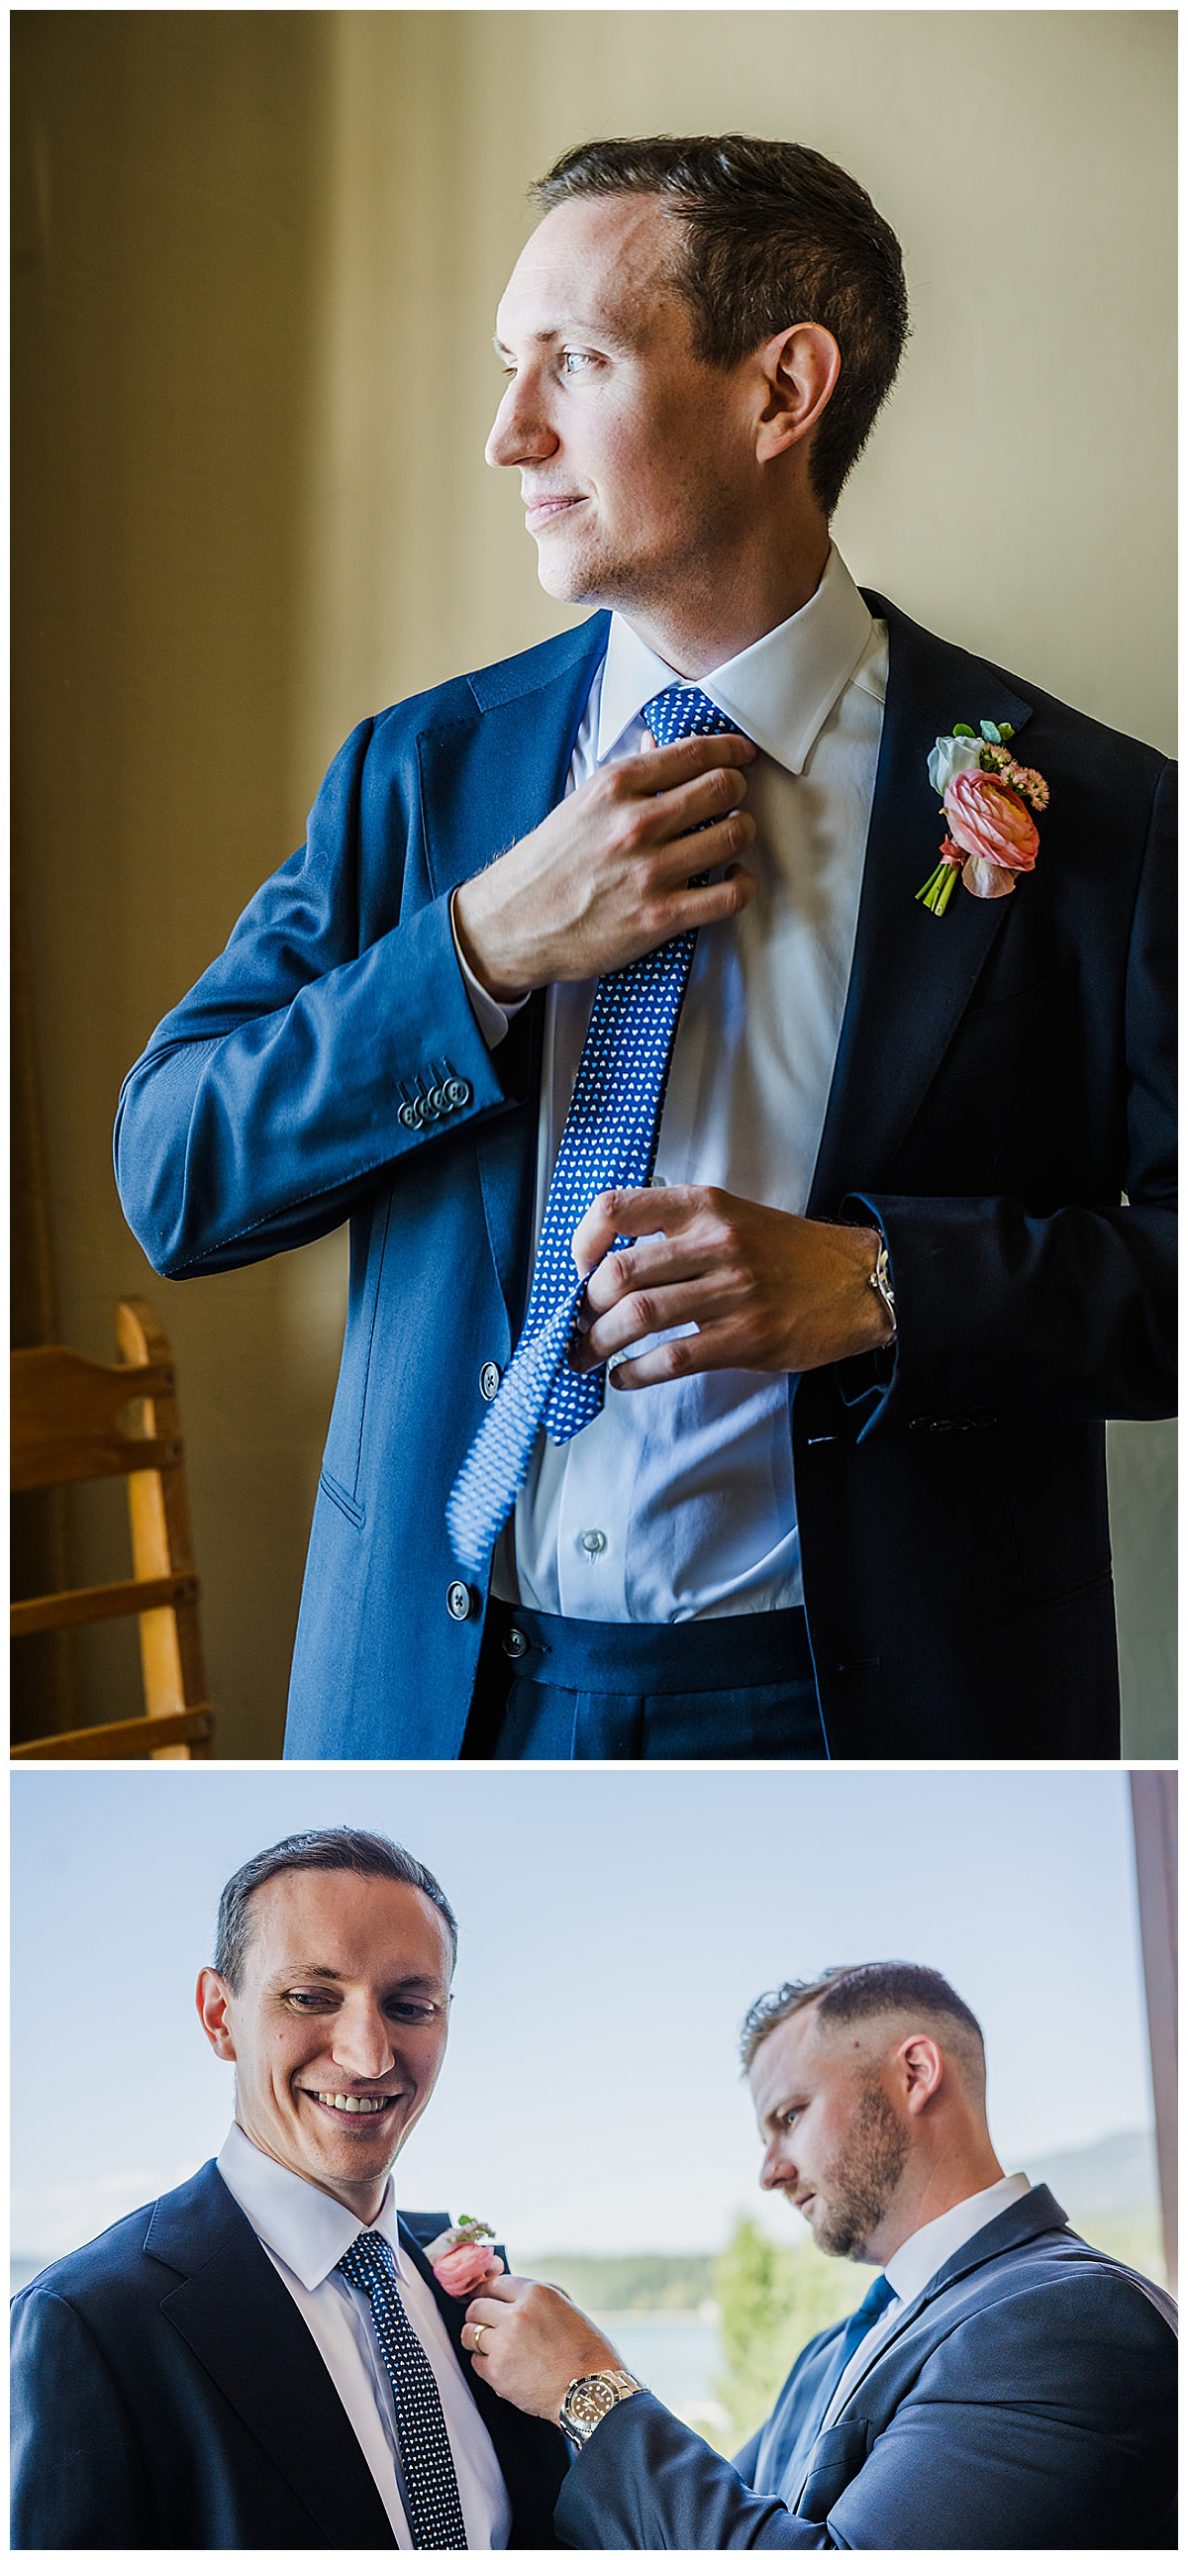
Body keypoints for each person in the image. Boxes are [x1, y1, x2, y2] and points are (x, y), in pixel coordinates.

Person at [114, 135, 1175, 1764]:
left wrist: (883, 1284)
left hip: (873, 1716)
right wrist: (473, 951)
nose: (504, 431)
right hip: (440, 1701)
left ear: (780, 393)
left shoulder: (1098, 821)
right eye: (503, 366)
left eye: (576, 361)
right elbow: (172, 1172)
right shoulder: (420, 778)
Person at [460, 1960, 1178, 2550]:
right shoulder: (830, 2353)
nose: (768, 2172)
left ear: (916, 2073)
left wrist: (589, 2387)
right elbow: (688, 2532)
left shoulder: (1072, 2321)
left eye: (791, 2117)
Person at [10, 1829, 567, 2549]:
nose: (367, 2056)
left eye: (409, 2006)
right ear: (220, 2016)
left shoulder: (471, 2277)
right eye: (310, 1997)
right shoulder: (90, 2321)